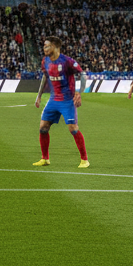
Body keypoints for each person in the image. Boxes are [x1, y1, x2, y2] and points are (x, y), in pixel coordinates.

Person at [33, 35, 89, 168]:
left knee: (73, 129)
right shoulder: (45, 61)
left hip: (67, 100)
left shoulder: (67, 61)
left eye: (47, 46)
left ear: (55, 47)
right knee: (43, 128)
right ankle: (45, 158)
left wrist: (79, 92)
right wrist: (39, 96)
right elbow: (45, 77)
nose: (44, 48)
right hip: (53, 99)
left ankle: (84, 160)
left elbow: (82, 74)